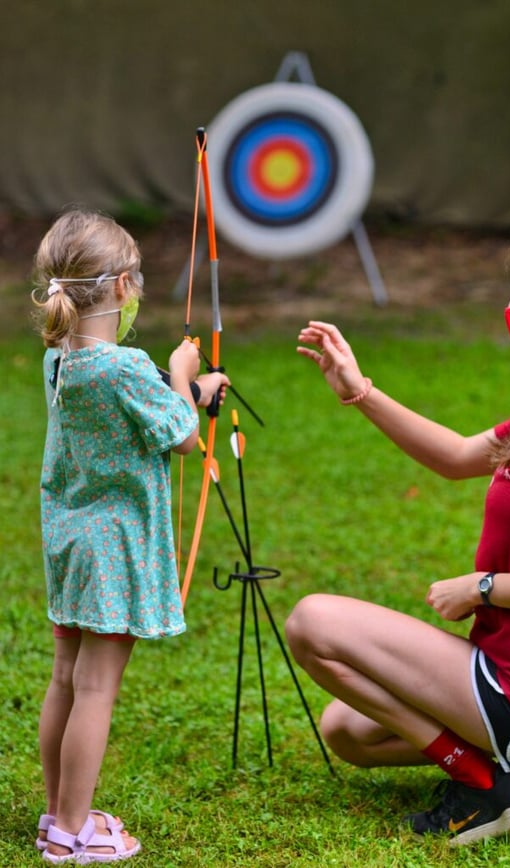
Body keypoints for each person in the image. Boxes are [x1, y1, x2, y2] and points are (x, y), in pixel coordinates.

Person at [286, 215, 510, 846]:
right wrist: (359, 391)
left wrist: (482, 586)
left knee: (313, 622)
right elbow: (454, 456)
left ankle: (491, 786)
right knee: (348, 732)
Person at [31, 208, 229, 863]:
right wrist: (183, 376)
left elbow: (143, 413)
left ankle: (59, 814)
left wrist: (188, 388)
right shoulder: (127, 367)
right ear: (122, 287)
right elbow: (181, 436)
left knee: (66, 680)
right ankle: (73, 832)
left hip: (71, 543)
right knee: (95, 690)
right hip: (113, 551)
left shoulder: (60, 359)